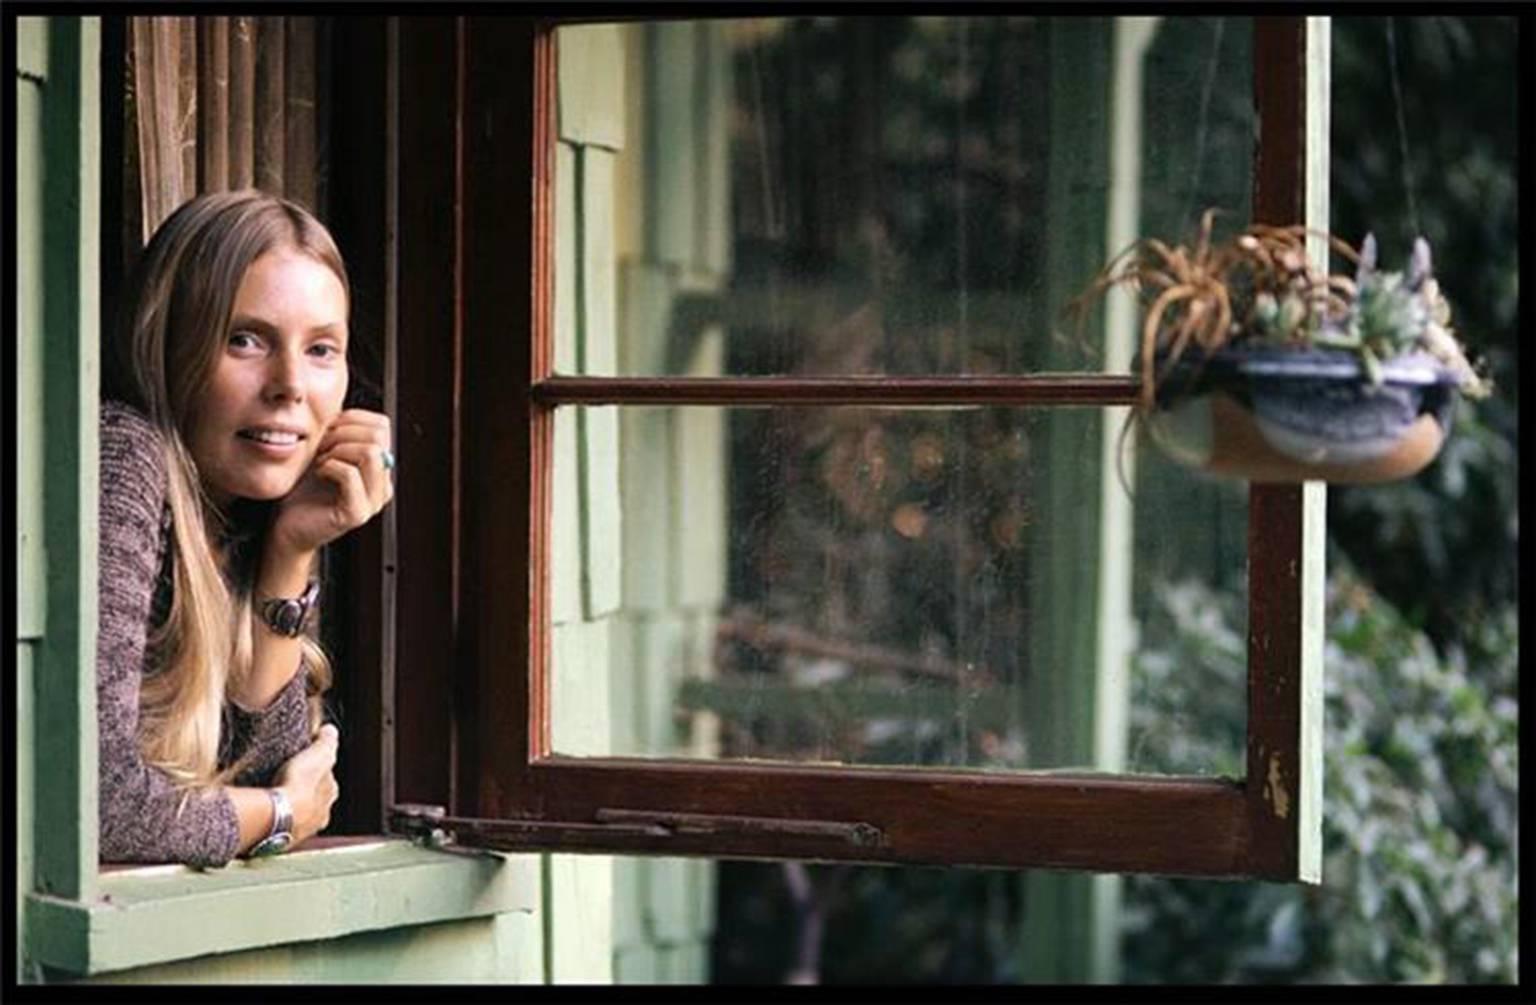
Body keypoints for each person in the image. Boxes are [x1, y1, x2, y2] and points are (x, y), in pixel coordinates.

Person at [97, 190, 393, 867]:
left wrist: (293, 549)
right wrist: (282, 814)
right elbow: (101, 805)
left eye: (321, 349)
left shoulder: (240, 509)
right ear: (169, 342)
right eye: (246, 340)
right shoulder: (124, 455)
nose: (290, 384)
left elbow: (244, 771)